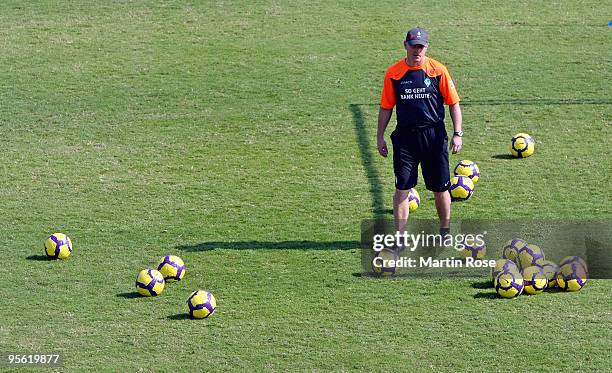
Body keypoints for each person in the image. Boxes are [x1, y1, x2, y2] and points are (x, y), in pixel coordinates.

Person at [377, 27, 463, 239]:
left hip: (434, 137)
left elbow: (453, 103)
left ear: (426, 47)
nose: (417, 51)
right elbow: (386, 107)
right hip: (405, 140)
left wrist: (457, 133)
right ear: (405, 45)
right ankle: (400, 236)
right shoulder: (393, 74)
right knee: (402, 188)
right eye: (414, 46)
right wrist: (380, 136)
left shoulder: (438, 70)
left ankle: (444, 229)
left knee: (440, 188)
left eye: (421, 47)